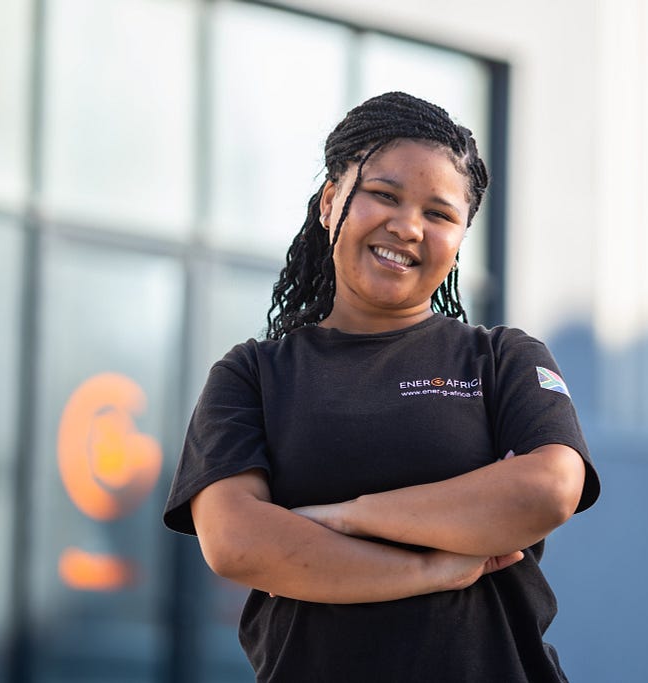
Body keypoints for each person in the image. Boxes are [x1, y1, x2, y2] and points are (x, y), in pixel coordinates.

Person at [163, 91, 600, 682]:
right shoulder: (253, 375)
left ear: (461, 237)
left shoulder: (502, 360)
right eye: (384, 195)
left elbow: (548, 490)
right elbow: (236, 541)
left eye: (440, 214)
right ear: (329, 203)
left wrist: (345, 517)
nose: (408, 226)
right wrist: (432, 570)